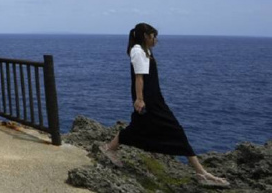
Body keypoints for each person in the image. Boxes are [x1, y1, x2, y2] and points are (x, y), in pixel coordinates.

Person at [99, 23, 230, 188]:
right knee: (175, 130)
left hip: (154, 98)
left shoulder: (145, 51)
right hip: (148, 100)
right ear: (146, 35)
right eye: (154, 36)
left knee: (138, 127)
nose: (156, 40)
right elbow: (139, 78)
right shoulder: (138, 51)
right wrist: (140, 100)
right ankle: (201, 173)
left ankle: (109, 148)